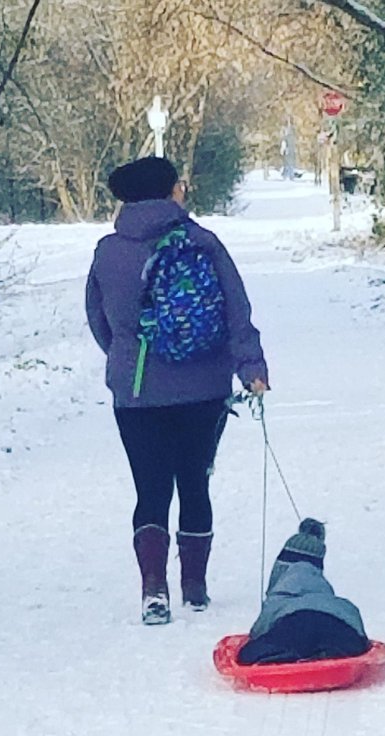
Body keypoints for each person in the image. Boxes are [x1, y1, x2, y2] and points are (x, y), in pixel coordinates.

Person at [85, 155, 269, 625]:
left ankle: (153, 591)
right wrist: (250, 366)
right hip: (204, 387)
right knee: (194, 482)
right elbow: (236, 309)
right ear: (171, 192)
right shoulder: (204, 243)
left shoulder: (108, 252)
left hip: (138, 391)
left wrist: (127, 356)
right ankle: (196, 586)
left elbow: (99, 320)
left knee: (150, 488)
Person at [237, 519, 370, 665]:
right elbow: (355, 621)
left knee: (247, 655)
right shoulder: (330, 597)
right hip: (339, 626)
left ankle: (286, 656)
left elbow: (258, 631)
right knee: (345, 644)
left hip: (294, 624)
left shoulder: (279, 598)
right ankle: (330, 652)